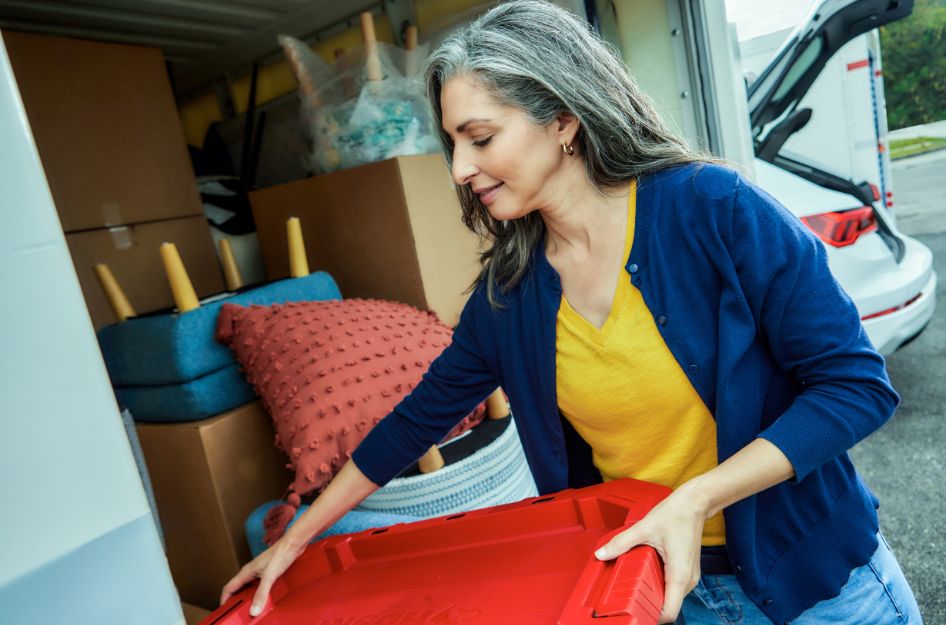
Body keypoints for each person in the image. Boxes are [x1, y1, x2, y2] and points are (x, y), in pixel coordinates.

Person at [221, 2, 923, 623]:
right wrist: (296, 538)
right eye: (454, 143)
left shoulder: (713, 210)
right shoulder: (509, 295)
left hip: (826, 587)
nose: (459, 168)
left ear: (562, 120)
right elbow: (413, 420)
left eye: (481, 137)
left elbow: (855, 386)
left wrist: (696, 497)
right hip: (672, 590)